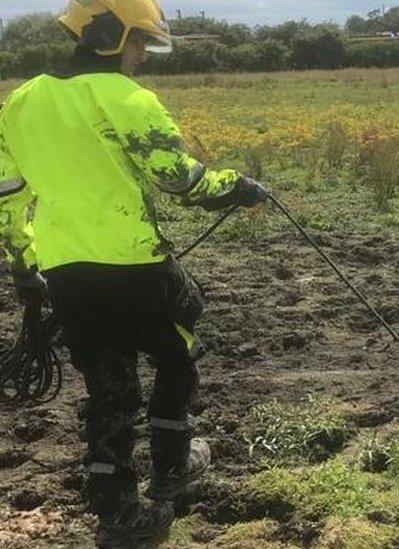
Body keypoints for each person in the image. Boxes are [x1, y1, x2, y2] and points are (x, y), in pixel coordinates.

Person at [0, 1, 269, 546]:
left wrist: (23, 266)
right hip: (137, 265)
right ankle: (174, 469)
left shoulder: (20, 102)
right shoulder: (128, 98)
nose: (142, 55)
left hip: (65, 271)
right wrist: (238, 188)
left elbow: (7, 194)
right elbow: (180, 180)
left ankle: (117, 513)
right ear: (108, 34)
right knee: (178, 351)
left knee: (108, 390)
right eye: (139, 42)